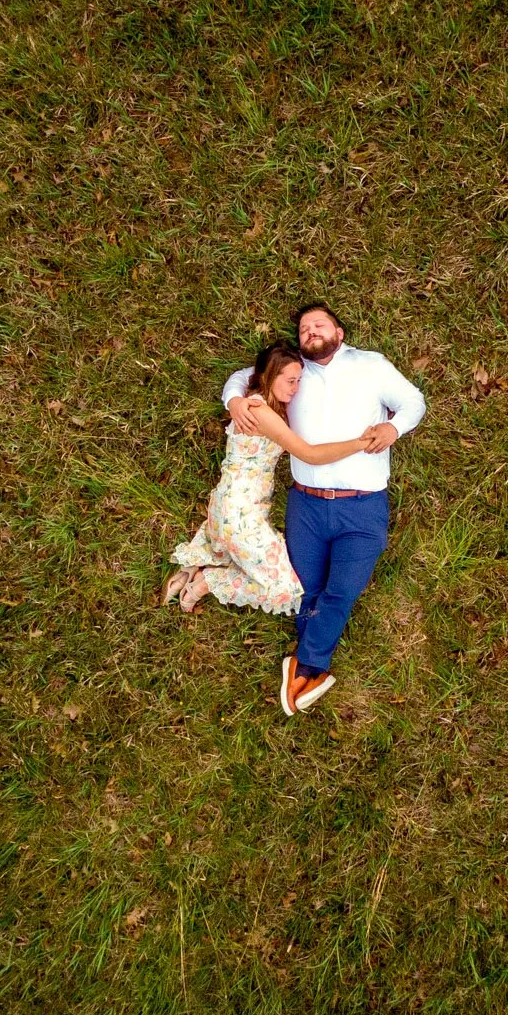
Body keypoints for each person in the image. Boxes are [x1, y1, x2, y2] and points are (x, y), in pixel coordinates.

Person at [224, 303, 425, 715]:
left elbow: (413, 402)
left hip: (363, 507)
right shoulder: (293, 371)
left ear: (339, 332)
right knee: (306, 590)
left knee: (342, 591)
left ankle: (308, 666)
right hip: (307, 506)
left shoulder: (371, 365)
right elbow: (243, 378)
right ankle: (309, 673)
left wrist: (393, 427)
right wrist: (234, 402)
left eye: (319, 324)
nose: (311, 331)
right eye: (303, 329)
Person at [165, 342, 376, 626]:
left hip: (231, 505)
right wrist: (359, 444)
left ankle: (189, 572)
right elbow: (309, 454)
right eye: (290, 381)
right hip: (240, 514)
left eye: (299, 381)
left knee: (238, 555)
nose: (296, 388)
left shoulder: (261, 406)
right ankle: (205, 581)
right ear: (269, 375)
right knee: (284, 589)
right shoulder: (259, 411)